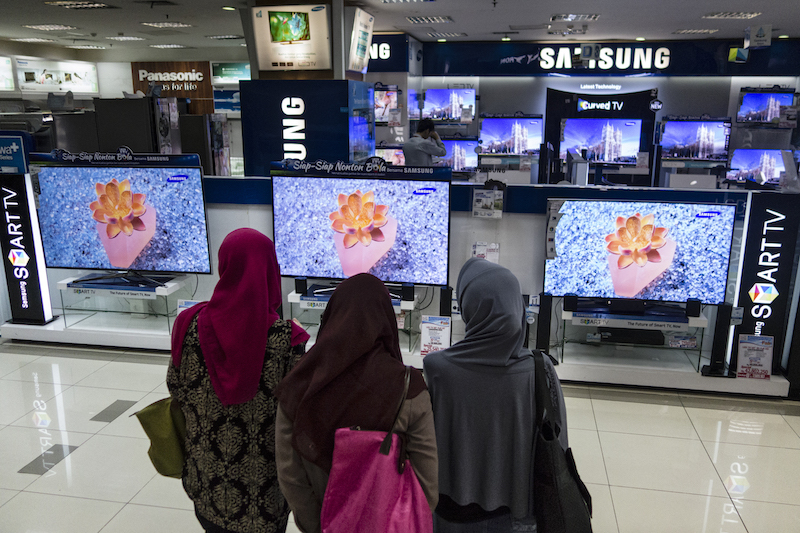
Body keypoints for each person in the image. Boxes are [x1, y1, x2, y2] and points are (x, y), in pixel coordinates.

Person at [167, 228, 310, 533]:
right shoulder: (288, 339)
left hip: (207, 482)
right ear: (271, 270)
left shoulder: (188, 324)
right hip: (265, 494)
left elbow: (174, 387)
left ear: (224, 266)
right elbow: (301, 412)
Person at [274, 273, 439, 533]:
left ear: (332, 316)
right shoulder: (410, 388)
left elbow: (290, 476)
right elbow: (427, 484)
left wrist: (320, 526)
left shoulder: (299, 384)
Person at [423, 258, 568, 532]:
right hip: (520, 510)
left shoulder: (437, 368)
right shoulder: (540, 369)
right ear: (517, 305)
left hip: (451, 510)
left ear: (468, 308)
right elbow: (560, 443)